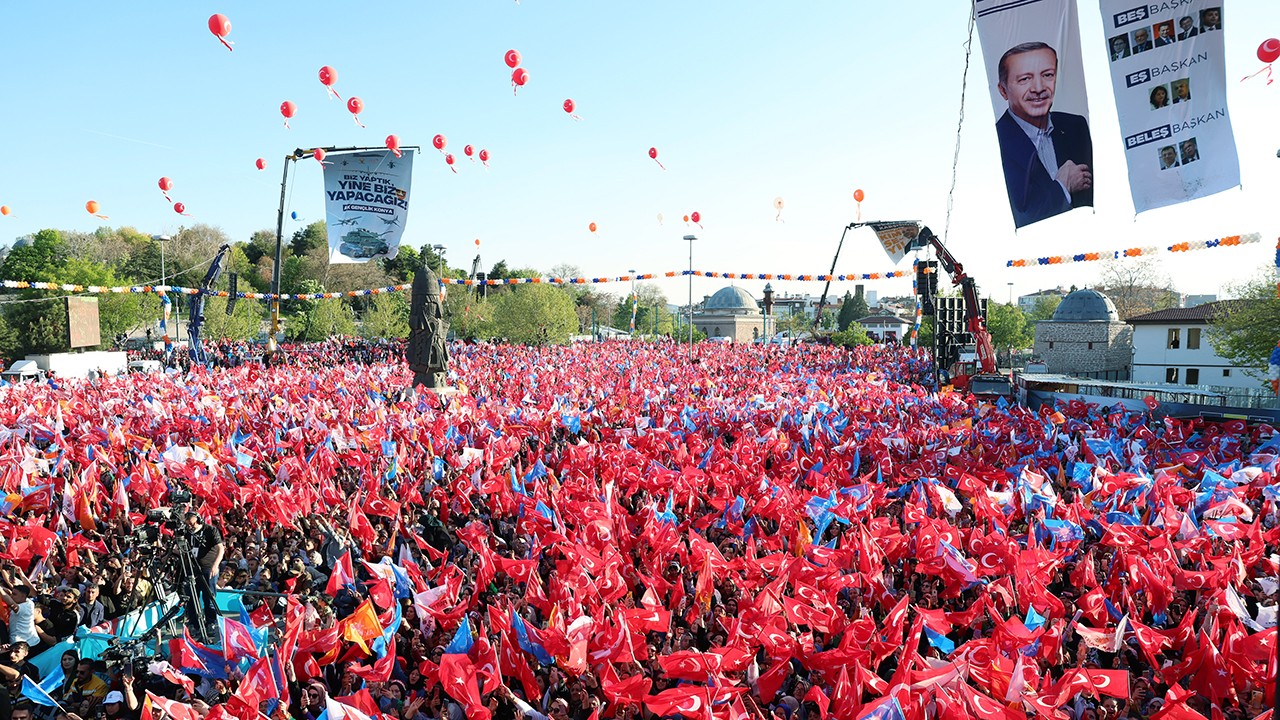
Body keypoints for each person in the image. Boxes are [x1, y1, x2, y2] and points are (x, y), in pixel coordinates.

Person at [993, 42, 1093, 228]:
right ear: (1003, 90)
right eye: (1024, 79)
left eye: (1047, 75)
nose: (1038, 88)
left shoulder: (1075, 126)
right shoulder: (997, 140)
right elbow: (1025, 214)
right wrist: (1063, 185)